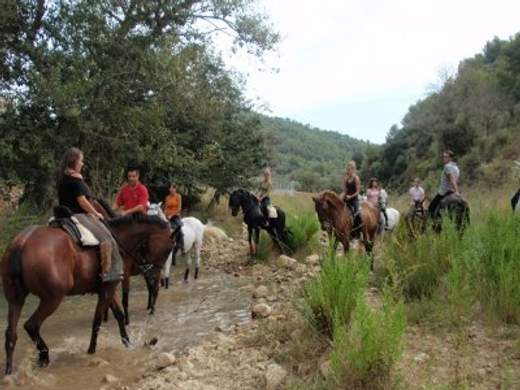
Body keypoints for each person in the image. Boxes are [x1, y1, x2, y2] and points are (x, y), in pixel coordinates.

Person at [57, 147, 123, 282]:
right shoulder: (75, 179)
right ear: (74, 161)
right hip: (78, 215)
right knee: (106, 238)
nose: (82, 164)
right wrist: (95, 213)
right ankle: (109, 273)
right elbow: (82, 201)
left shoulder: (62, 177)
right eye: (81, 161)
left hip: (62, 214)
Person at [428, 150, 460, 219]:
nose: (444, 158)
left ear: (451, 158)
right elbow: (456, 179)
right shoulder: (456, 168)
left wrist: (457, 190)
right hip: (452, 192)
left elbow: (452, 179)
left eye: (446, 157)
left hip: (444, 192)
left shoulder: (447, 166)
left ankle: (435, 225)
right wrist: (455, 191)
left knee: (431, 208)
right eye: (443, 156)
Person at [164, 182, 184, 255]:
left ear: (175, 189)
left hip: (175, 216)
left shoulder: (178, 196)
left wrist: (172, 215)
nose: (171, 189)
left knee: (179, 229)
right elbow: (165, 208)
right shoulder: (167, 197)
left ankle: (182, 247)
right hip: (167, 216)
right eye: (170, 188)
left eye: (173, 188)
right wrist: (165, 214)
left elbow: (179, 208)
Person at [343, 161, 362, 238]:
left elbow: (358, 191)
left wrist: (350, 196)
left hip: (354, 199)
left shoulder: (356, 178)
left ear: (353, 169)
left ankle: (357, 232)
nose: (348, 171)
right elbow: (344, 191)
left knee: (357, 213)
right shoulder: (346, 179)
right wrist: (340, 197)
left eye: (349, 169)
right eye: (347, 169)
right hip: (346, 199)